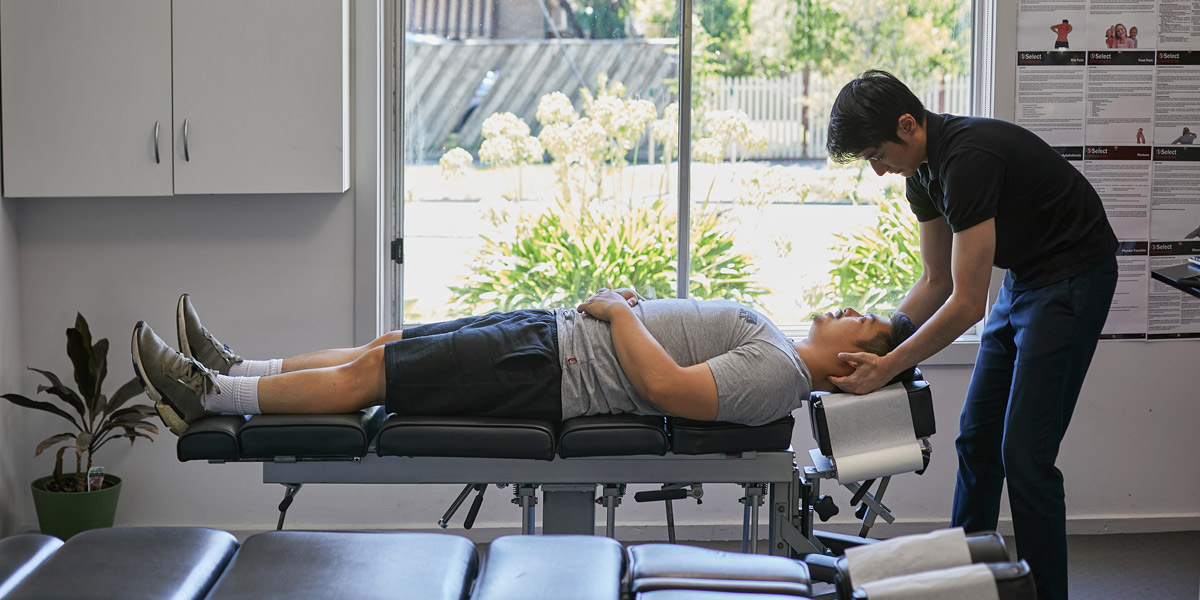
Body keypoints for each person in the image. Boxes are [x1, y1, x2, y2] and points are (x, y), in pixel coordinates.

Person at [825, 70, 1118, 600]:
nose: (876, 169)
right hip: (1027, 278)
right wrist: (881, 343)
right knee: (976, 441)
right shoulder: (922, 174)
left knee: (1026, 457)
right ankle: (964, 584)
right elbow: (936, 280)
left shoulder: (968, 160)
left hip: (1074, 276)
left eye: (876, 153)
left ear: (908, 125)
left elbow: (966, 304)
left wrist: (888, 367)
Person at [133, 292, 915, 436]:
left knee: (377, 380)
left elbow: (666, 388)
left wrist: (617, 315)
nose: (853, 307)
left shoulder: (783, 374)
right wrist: (628, 312)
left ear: (853, 363)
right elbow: (670, 356)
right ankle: (240, 364)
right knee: (388, 346)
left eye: (867, 319)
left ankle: (213, 397)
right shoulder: (775, 341)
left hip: (553, 369)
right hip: (551, 337)